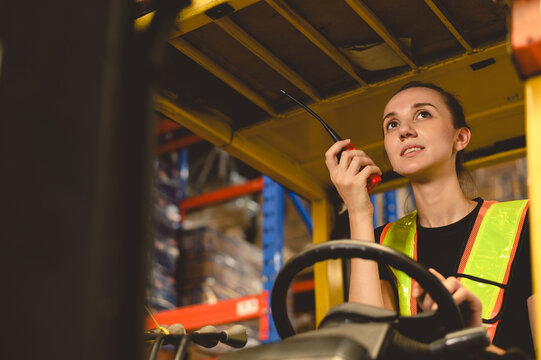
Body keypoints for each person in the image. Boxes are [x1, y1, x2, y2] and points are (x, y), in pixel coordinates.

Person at [324, 81, 534, 356]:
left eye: (423, 114)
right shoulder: (379, 244)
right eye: (392, 125)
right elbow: (365, 347)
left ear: (461, 137)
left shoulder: (527, 222)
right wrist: (358, 211)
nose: (405, 131)